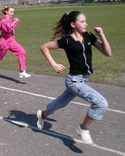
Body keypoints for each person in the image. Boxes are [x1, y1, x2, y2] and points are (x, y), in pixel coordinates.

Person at [37, 11, 112, 144]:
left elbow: (107, 53)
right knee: (101, 103)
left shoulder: (89, 36)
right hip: (74, 81)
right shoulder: (67, 40)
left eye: (86, 21)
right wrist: (54, 64)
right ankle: (83, 128)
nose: (86, 24)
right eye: (82, 21)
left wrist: (102, 35)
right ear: (73, 24)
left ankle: (42, 115)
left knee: (61, 103)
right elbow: (44, 47)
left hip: (83, 79)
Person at [0, 6, 31, 78]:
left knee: (22, 52)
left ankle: (22, 71)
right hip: (4, 41)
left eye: (13, 12)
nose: (13, 13)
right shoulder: (3, 20)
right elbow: (9, 28)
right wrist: (16, 20)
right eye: (11, 12)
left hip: (11, 40)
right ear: (6, 11)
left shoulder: (8, 19)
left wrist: (14, 21)